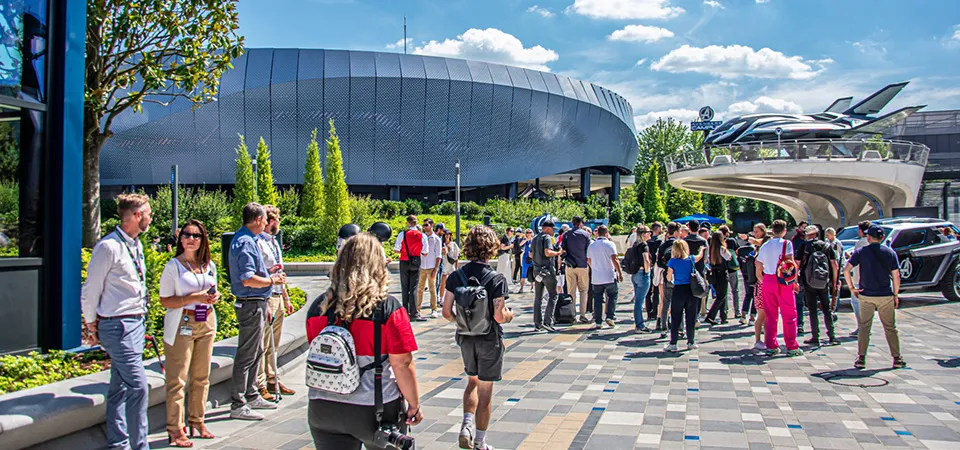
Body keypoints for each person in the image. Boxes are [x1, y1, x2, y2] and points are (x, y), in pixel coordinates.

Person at [306, 233, 424, 449]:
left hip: (323, 407)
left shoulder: (319, 308)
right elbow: (402, 364)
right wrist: (414, 404)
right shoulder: (387, 308)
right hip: (374, 409)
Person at [81, 193, 154, 450]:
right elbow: (91, 290)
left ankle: (118, 443)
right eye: (148, 212)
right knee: (139, 386)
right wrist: (91, 325)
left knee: (119, 386)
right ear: (136, 216)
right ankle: (139, 446)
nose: (151, 217)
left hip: (135, 323)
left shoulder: (136, 245)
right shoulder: (108, 247)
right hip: (117, 325)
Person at [442, 226, 515, 450]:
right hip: (489, 338)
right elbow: (499, 317)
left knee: (471, 381)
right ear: (491, 248)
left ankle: (466, 426)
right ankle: (481, 442)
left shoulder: (456, 276)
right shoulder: (496, 279)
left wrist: (462, 322)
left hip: (465, 338)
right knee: (485, 388)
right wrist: (510, 315)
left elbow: (446, 312)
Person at [159, 219, 220, 446]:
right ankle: (175, 428)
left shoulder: (208, 265)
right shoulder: (173, 266)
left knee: (202, 376)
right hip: (181, 322)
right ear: (180, 239)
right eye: (186, 235)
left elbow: (214, 289)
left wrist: (215, 297)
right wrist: (194, 298)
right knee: (177, 379)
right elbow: (165, 300)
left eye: (196, 235)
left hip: (206, 320)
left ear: (203, 239)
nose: (191, 239)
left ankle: (197, 420)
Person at [228, 203, 286, 420]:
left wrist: (269, 273)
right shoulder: (244, 242)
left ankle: (252, 395)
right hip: (250, 303)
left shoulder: (249, 240)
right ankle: (238, 402)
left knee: (257, 350)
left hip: (257, 302)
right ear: (258, 220)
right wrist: (271, 279)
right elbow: (247, 278)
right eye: (264, 219)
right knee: (247, 353)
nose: (266, 223)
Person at [844, 225, 906, 370]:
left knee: (864, 327)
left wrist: (852, 288)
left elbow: (847, 269)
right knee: (890, 327)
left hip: (866, 294)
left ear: (869, 237)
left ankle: (861, 358)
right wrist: (895, 294)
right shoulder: (889, 252)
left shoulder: (861, 252)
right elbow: (896, 275)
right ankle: (896, 358)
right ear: (882, 238)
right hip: (885, 295)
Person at [256, 206, 296, 401]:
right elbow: (259, 271)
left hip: (278, 295)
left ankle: (272, 378)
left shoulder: (274, 243)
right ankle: (260, 383)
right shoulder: (258, 243)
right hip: (267, 294)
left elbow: (280, 272)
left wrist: (286, 297)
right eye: (278, 219)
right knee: (263, 342)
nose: (279, 223)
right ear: (272, 221)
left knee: (275, 342)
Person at [756, 220, 803, 357]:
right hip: (783, 281)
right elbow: (791, 264)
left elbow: (758, 266)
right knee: (789, 314)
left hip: (768, 280)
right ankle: (791, 346)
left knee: (770, 315)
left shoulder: (765, 245)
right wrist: (795, 282)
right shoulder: (786, 244)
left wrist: (763, 280)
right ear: (784, 231)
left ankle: (771, 345)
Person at [796, 225, 839, 346]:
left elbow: (797, 264)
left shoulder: (804, 246)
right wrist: (835, 282)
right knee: (826, 308)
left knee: (812, 309)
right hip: (824, 282)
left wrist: (795, 281)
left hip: (809, 281)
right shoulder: (827, 246)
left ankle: (815, 336)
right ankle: (832, 336)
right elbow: (834, 265)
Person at [664, 239, 705, 352]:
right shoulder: (691, 259)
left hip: (678, 290)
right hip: (691, 290)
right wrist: (701, 249)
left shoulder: (672, 261)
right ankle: (691, 341)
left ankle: (673, 343)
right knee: (691, 317)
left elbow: (669, 276)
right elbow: (699, 256)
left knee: (676, 317)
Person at [740, 223, 770, 349]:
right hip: (762, 283)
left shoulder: (766, 242)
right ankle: (759, 340)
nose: (755, 233)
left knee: (767, 315)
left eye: (757, 231)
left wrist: (747, 238)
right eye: (754, 231)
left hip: (764, 282)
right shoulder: (759, 247)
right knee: (762, 314)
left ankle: (767, 339)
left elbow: (757, 241)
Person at [588, 225, 623, 329]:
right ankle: (610, 316)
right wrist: (619, 272)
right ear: (607, 233)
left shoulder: (592, 246)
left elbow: (588, 260)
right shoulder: (610, 244)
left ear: (597, 233)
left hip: (596, 277)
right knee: (612, 296)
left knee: (598, 299)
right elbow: (615, 259)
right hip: (609, 275)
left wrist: (594, 267)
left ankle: (598, 321)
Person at [394, 215, 429, 320]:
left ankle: (405, 311)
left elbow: (396, 249)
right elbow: (425, 252)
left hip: (404, 261)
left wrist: (404, 251)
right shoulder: (422, 236)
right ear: (416, 223)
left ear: (408, 223)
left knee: (404, 287)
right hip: (416, 262)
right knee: (413, 288)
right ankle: (414, 313)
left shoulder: (402, 234)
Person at [532, 219, 563, 332]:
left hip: (536, 271)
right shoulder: (547, 238)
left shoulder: (535, 238)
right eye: (553, 229)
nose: (553, 232)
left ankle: (537, 324)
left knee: (538, 298)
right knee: (553, 295)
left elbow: (531, 254)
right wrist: (558, 253)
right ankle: (547, 322)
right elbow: (547, 252)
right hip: (547, 271)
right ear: (548, 228)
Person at [561, 216, 592, 323]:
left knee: (571, 291)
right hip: (582, 265)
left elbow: (562, 249)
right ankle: (582, 314)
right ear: (581, 223)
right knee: (583, 290)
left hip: (570, 266)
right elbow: (589, 250)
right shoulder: (585, 234)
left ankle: (572, 314)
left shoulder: (566, 234)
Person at [656, 222, 680, 338]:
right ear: (675, 232)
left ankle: (663, 328)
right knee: (680, 304)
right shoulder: (680, 244)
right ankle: (680, 328)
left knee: (666, 302)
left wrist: (667, 268)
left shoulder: (663, 245)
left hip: (667, 276)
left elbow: (659, 262)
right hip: (680, 277)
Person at [416, 218, 443, 319]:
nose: (425, 227)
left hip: (431, 266)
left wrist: (436, 269)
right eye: (424, 225)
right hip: (422, 266)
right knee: (420, 289)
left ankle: (434, 309)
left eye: (427, 225)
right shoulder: (422, 237)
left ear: (432, 225)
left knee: (432, 289)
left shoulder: (436, 239)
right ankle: (417, 309)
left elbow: (438, 255)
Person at [704, 231, 732, 325]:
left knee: (720, 295)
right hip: (722, 274)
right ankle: (711, 316)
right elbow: (729, 257)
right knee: (721, 296)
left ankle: (723, 316)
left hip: (714, 274)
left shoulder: (710, 249)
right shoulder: (722, 248)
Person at [849, 220, 872, 335]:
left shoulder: (861, 243)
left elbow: (855, 261)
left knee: (856, 303)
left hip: (859, 278)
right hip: (871, 278)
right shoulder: (873, 242)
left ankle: (862, 327)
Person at [630, 225, 653, 333]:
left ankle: (638, 324)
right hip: (642, 273)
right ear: (644, 234)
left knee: (638, 301)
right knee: (639, 302)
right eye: (649, 232)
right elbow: (646, 260)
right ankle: (640, 325)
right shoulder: (644, 245)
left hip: (634, 274)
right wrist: (647, 272)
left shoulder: (635, 244)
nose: (650, 234)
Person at [719, 225, 742, 321]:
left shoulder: (718, 242)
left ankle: (725, 311)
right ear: (727, 232)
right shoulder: (732, 241)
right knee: (735, 291)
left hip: (723, 270)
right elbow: (737, 252)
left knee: (724, 292)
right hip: (733, 269)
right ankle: (737, 311)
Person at [792, 221, 810, 336]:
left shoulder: (796, 240)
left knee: (800, 301)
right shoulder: (799, 241)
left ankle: (800, 324)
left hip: (803, 273)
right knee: (801, 301)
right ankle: (800, 324)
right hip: (807, 274)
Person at [824, 227, 845, 322]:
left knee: (836, 286)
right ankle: (829, 305)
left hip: (835, 266)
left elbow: (840, 256)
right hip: (828, 266)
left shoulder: (837, 243)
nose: (827, 236)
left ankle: (835, 306)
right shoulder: (826, 243)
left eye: (828, 235)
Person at [646, 222, 664, 318]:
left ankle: (649, 311)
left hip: (648, 266)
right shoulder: (659, 242)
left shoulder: (647, 242)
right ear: (657, 229)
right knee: (656, 290)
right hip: (656, 267)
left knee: (648, 292)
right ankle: (655, 310)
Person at [440, 229, 460, 299]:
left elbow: (456, 256)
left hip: (451, 265)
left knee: (453, 283)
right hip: (444, 265)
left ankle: (454, 298)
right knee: (443, 283)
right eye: (446, 234)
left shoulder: (453, 244)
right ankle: (441, 298)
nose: (447, 236)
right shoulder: (442, 244)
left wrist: (456, 267)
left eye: (449, 234)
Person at [518, 229, 534, 294]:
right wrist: (526, 240)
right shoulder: (525, 240)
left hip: (532, 258)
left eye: (530, 232)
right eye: (527, 233)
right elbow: (520, 244)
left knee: (533, 272)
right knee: (523, 273)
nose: (528, 234)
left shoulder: (533, 240)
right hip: (525, 258)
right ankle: (521, 287)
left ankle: (532, 287)